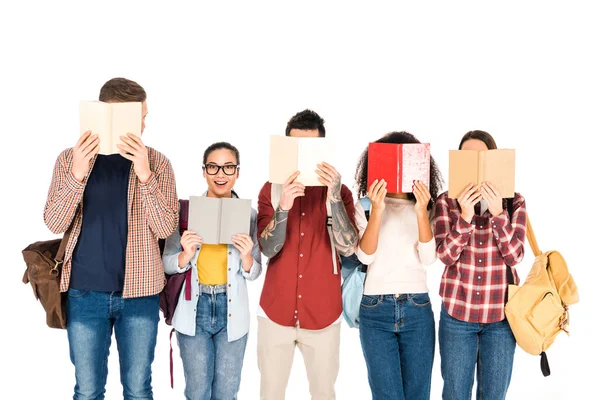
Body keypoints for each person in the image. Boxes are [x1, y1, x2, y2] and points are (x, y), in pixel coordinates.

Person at [43, 77, 179, 399]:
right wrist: (77, 174)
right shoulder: (69, 159)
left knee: (138, 388)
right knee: (88, 390)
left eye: (144, 116)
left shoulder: (158, 162)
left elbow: (164, 228)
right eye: (139, 116)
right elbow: (54, 221)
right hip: (85, 294)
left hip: (140, 295)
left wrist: (145, 175)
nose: (144, 123)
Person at [256, 109, 358, 400]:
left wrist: (334, 197)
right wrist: (284, 206)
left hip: (323, 313)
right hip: (276, 311)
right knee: (270, 394)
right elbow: (267, 249)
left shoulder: (340, 192)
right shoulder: (271, 189)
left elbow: (348, 246)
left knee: (324, 394)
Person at [162, 142, 262, 399]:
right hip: (194, 311)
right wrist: (184, 254)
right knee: (197, 392)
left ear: (237, 173)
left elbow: (255, 271)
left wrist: (247, 256)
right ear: (204, 171)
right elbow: (167, 263)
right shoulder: (184, 213)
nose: (221, 174)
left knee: (227, 392)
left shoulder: (250, 216)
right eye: (213, 167)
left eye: (228, 167)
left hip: (232, 313)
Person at [434, 130, 527, 400]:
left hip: (500, 318)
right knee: (454, 394)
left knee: (494, 395)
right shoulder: (446, 201)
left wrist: (499, 214)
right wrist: (464, 216)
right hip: (456, 315)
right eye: (467, 157)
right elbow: (445, 256)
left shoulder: (514, 201)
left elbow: (515, 256)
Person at [353, 131, 444, 400]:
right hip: (375, 309)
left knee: (418, 394)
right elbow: (365, 256)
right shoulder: (366, 206)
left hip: (417, 308)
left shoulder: (427, 208)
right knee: (386, 395)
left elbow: (429, 258)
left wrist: (420, 211)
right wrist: (378, 210)